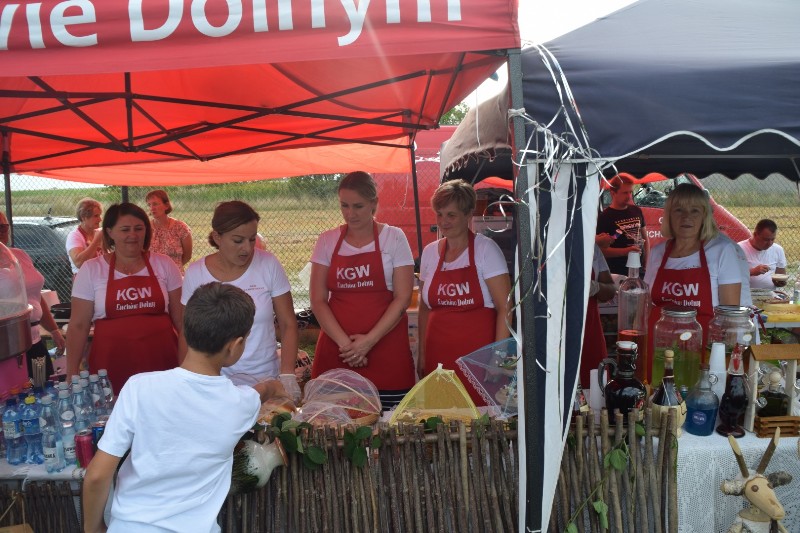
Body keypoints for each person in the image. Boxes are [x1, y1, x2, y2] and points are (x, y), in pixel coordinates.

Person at [82, 282, 294, 533]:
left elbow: (97, 475)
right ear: (235, 345)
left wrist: (94, 529)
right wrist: (273, 386)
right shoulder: (240, 404)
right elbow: (258, 394)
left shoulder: (139, 388)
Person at [310, 171, 416, 409]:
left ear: (373, 203)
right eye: (344, 205)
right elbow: (317, 300)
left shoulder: (394, 238)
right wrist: (347, 347)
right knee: (334, 423)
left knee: (390, 423)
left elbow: (402, 298)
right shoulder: (327, 240)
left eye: (358, 206)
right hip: (337, 352)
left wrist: (368, 342)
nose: (350, 213)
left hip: (386, 351)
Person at [181, 201, 300, 400]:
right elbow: (187, 333)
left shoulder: (268, 264)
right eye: (238, 240)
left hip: (265, 379)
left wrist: (287, 375)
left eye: (252, 239)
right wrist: (189, 379)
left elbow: (288, 323)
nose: (247, 248)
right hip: (216, 383)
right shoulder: (196, 273)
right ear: (217, 237)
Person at [66, 203, 183, 390]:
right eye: (125, 229)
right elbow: (78, 326)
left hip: (162, 361)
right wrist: (71, 373)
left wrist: (188, 365)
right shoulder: (91, 269)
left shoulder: (164, 264)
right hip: (110, 364)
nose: (133, 235)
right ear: (110, 232)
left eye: (139, 228)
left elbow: (181, 321)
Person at [417, 179, 512, 405]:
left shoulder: (486, 249)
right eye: (439, 214)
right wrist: (422, 353)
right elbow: (424, 308)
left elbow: (506, 307)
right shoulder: (430, 253)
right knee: (440, 416)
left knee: (479, 418)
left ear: (468, 214)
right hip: (438, 358)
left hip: (477, 361)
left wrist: (498, 357)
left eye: (451, 215)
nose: (443, 222)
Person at [645, 183, 750, 357]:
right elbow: (647, 305)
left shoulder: (722, 250)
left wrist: (723, 359)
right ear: (668, 216)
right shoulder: (657, 253)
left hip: (703, 349)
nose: (686, 217)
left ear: (704, 216)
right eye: (679, 210)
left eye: (695, 210)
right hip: (660, 348)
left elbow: (730, 318)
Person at [0, 212, 66, 380]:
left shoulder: (18, 255)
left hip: (34, 340)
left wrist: (54, 330)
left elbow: (35, 296)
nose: (0, 232)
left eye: (3, 227)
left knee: (44, 386)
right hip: (9, 345)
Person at [596, 173, 650, 275]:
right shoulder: (605, 217)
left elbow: (645, 239)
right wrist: (626, 251)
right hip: (617, 271)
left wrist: (647, 262)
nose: (629, 196)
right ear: (613, 193)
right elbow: (601, 251)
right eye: (625, 193)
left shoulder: (636, 211)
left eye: (630, 192)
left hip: (638, 269)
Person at [580, 245, 617, 388]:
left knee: (595, 386)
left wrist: (595, 287)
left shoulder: (592, 248)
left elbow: (611, 290)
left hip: (590, 332)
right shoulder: (545, 246)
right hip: (555, 334)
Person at [145, 189, 193, 273]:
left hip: (175, 273)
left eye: (155, 204)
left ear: (166, 206)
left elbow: (187, 256)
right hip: (152, 274)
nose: (152, 208)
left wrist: (172, 268)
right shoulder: (145, 228)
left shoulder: (180, 227)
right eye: (149, 205)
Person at [738, 219, 788, 289]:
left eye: (772, 239)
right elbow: (728, 276)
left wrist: (780, 282)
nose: (770, 243)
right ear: (755, 234)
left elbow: (781, 275)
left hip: (770, 294)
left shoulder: (778, 249)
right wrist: (752, 272)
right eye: (766, 240)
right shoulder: (739, 249)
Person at [66, 197, 104, 275]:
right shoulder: (74, 236)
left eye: (100, 215)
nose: (100, 219)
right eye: (96, 216)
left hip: (100, 276)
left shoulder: (98, 232)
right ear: (83, 218)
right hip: (85, 278)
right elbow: (79, 263)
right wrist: (96, 241)